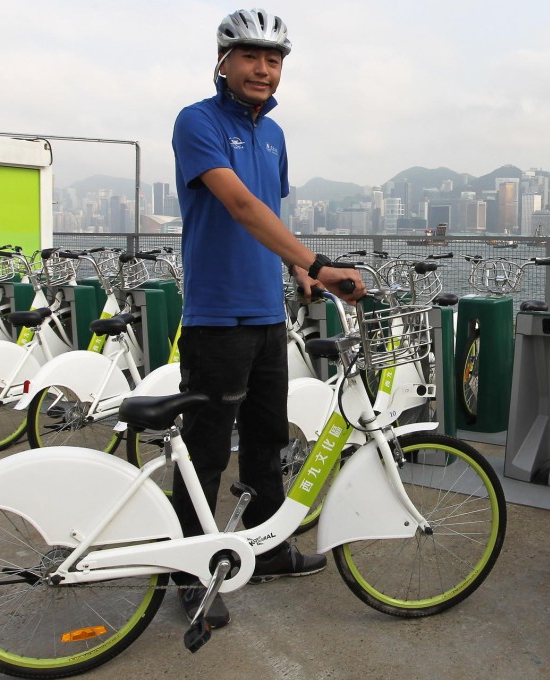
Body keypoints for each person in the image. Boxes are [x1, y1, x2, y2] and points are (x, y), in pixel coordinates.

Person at [170, 7, 366, 629]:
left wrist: (298, 272)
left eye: (273, 59)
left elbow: (271, 214)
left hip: (265, 316)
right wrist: (319, 263)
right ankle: (188, 571)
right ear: (223, 62)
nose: (263, 69)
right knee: (205, 450)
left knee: (266, 440)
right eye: (250, 57)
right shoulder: (197, 121)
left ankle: (269, 548)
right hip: (215, 318)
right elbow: (240, 205)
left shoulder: (275, 134)